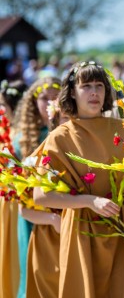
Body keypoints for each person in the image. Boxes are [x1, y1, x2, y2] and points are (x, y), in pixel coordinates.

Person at [33, 61, 124, 298]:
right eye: (86, 86)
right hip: (80, 232)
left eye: (99, 85)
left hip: (123, 231)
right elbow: (41, 195)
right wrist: (89, 201)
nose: (94, 92)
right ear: (72, 93)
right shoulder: (59, 138)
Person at [12, 76, 61, 298]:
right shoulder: (21, 141)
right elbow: (21, 196)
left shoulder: (66, 134)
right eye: (44, 98)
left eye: (56, 97)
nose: (51, 103)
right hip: (36, 218)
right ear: (33, 102)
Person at [0, 79, 27, 298]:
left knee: (17, 253)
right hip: (7, 199)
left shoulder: (20, 134)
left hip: (16, 200)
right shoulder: (7, 130)